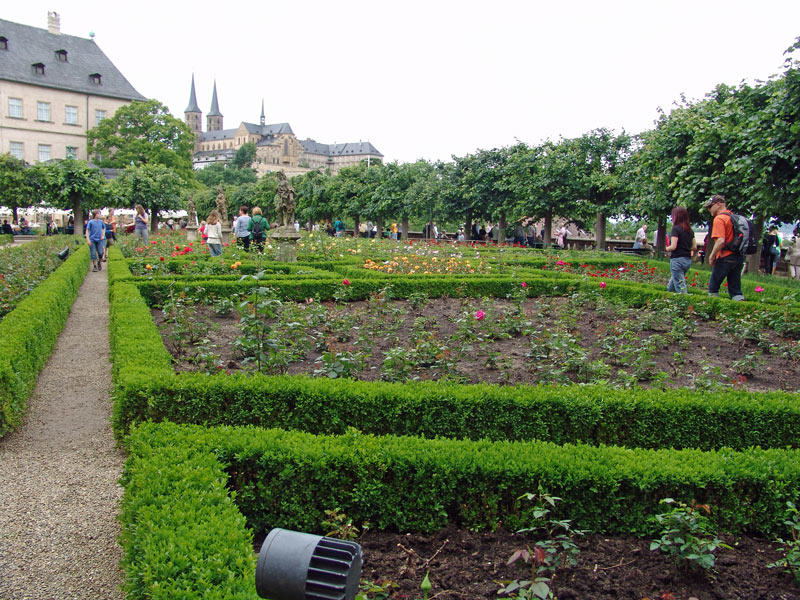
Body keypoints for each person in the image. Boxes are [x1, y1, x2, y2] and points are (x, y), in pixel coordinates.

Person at [704, 194, 744, 301]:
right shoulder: (732, 217)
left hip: (725, 257)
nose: (709, 209)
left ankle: (712, 309)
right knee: (735, 289)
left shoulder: (719, 219)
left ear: (718, 204)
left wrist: (712, 255)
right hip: (738, 256)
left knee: (713, 288)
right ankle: (741, 309)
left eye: (710, 206)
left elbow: (721, 241)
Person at [665, 206, 696, 294]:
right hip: (687, 260)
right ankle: (668, 297)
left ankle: (686, 303)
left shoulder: (676, 229)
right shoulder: (690, 231)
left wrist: (667, 248)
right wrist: (685, 247)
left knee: (681, 288)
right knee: (672, 285)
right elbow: (694, 247)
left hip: (677, 260)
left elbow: (673, 246)